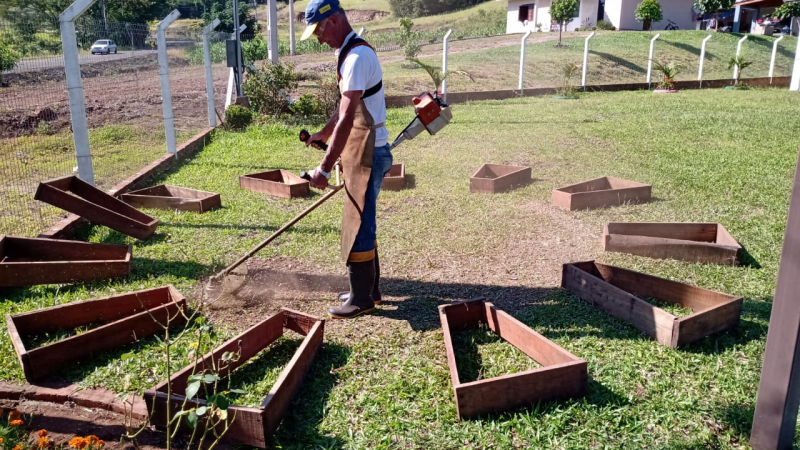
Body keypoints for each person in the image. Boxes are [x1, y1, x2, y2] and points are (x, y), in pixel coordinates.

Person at [300, 0, 393, 320]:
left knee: (359, 223)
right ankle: (370, 291)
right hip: (363, 149)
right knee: (363, 219)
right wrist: (323, 135)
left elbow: (348, 118)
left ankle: (361, 298)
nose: (318, 38)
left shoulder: (356, 56)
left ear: (335, 20)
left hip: (369, 152)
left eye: (319, 31)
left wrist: (324, 168)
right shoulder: (349, 52)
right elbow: (341, 112)